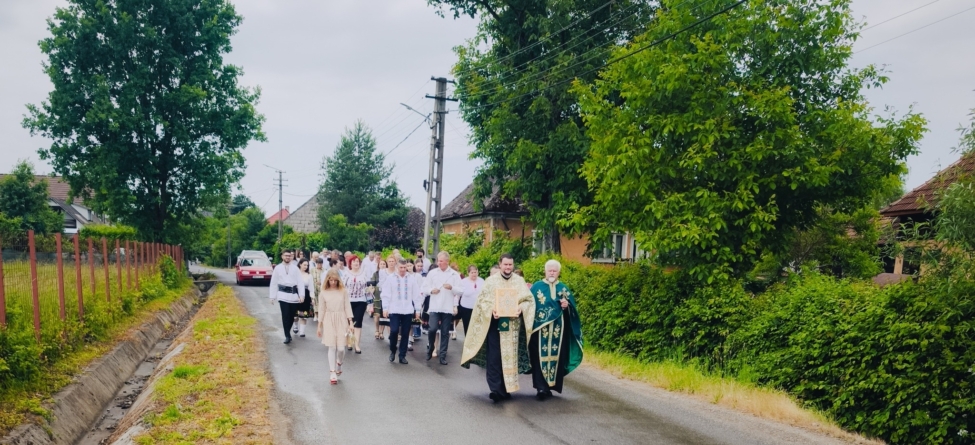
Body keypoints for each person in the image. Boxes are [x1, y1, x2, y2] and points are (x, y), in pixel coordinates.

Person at [461, 254, 534, 402]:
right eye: (505, 264)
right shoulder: (491, 281)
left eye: (510, 265)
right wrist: (492, 309)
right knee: (494, 357)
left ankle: (507, 388)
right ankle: (495, 389)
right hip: (495, 325)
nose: (508, 267)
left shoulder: (519, 281)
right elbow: (482, 301)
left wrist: (521, 308)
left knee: (509, 358)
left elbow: (528, 300)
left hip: (512, 326)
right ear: (500, 264)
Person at [528, 260, 584, 400]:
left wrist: (567, 306)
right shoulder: (536, 287)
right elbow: (528, 307)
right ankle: (541, 388)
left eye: (555, 270)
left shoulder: (564, 289)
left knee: (557, 358)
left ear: (559, 272)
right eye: (549, 270)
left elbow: (573, 311)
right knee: (539, 358)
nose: (552, 273)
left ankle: (550, 386)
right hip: (539, 332)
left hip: (558, 333)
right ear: (545, 271)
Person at [422, 251, 462, 365]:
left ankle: (443, 355)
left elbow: (461, 291)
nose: (438, 263)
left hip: (447, 307)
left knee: (445, 332)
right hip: (434, 306)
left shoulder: (454, 274)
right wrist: (431, 290)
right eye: (438, 261)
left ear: (447, 261)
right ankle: (431, 347)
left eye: (441, 261)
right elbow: (424, 288)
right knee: (432, 329)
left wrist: (452, 288)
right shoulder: (432, 273)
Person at [381, 259, 423, 364]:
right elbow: (385, 294)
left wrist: (418, 310)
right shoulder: (390, 279)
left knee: (405, 333)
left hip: (408, 310)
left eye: (405, 268)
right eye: (401, 267)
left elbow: (417, 295)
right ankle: (392, 350)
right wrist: (385, 308)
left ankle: (402, 355)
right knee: (394, 331)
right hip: (394, 309)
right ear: (397, 267)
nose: (403, 270)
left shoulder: (411, 279)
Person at [317, 269, 354, 384]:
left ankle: (339, 362)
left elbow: (347, 306)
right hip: (328, 319)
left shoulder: (343, 291)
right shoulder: (323, 292)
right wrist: (319, 325)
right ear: (327, 280)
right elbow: (321, 309)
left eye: (335, 280)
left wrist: (351, 322)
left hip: (342, 318)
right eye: (330, 280)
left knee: (341, 348)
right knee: (332, 346)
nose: (333, 282)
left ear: (338, 280)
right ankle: (332, 372)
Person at [268, 249, 306, 344]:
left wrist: (301, 295)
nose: (287, 257)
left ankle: (288, 332)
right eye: (286, 255)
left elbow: (300, 283)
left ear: (291, 257)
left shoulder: (295, 268)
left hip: (293, 296)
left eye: (289, 256)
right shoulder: (278, 268)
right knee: (285, 316)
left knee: (291, 316)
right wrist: (272, 296)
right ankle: (287, 336)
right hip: (282, 295)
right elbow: (273, 283)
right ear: (282, 256)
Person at [343, 255, 371, 354]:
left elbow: (368, 288)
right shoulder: (346, 274)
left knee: (358, 323)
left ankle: (357, 344)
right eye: (354, 261)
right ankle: (349, 342)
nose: (356, 263)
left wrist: (370, 303)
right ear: (350, 263)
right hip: (348, 301)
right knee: (349, 323)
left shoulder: (364, 274)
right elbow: (342, 287)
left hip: (361, 300)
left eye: (357, 261)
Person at [457, 264, 483, 339]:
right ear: (468, 273)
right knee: (467, 326)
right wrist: (455, 306)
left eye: (475, 272)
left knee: (477, 326)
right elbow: (458, 294)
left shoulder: (482, 281)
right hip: (466, 308)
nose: (474, 274)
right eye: (472, 272)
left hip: (478, 308)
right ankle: (468, 342)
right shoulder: (463, 282)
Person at [294, 258, 315, 337]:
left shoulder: (309, 276)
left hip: (306, 296)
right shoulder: (295, 274)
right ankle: (295, 326)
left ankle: (302, 331)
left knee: (303, 315)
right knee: (295, 314)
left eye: (307, 265)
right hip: (296, 294)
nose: (306, 267)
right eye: (304, 265)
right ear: (300, 264)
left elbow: (311, 288)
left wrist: (312, 298)